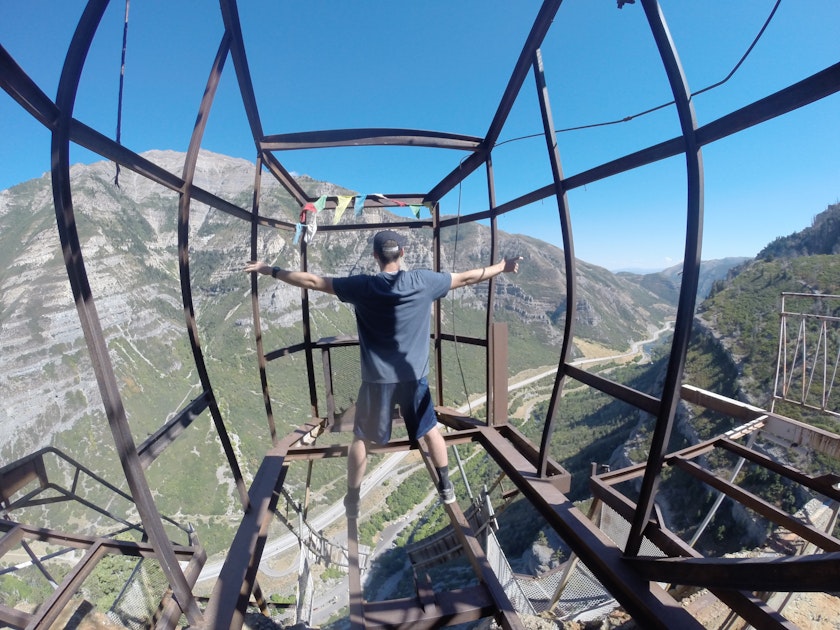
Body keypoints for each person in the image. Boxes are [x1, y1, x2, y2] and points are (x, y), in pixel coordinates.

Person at [245, 230, 521, 519]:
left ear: (375, 256)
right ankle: (445, 486)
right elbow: (466, 278)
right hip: (414, 377)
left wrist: (270, 270)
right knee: (430, 431)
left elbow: (312, 281)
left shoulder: (362, 286)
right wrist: (502, 266)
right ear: (402, 253)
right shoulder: (424, 281)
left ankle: (353, 498)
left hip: (377, 381)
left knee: (361, 439)